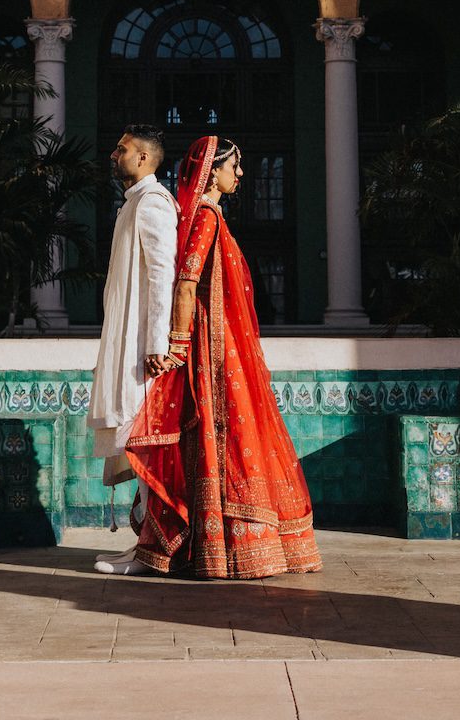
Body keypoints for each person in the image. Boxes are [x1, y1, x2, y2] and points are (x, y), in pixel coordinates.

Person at [121, 135, 321, 579]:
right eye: (236, 166)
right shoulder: (208, 218)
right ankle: (215, 546)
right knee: (220, 438)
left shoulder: (205, 216)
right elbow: (187, 284)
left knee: (217, 440)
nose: (242, 174)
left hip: (220, 347)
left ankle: (209, 545)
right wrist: (176, 343)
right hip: (211, 351)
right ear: (213, 172)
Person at [88, 127, 175, 574]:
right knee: (133, 440)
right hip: (127, 338)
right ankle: (143, 545)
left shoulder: (154, 203)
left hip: (143, 347)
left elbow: (164, 273)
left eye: (121, 148)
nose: (113, 154)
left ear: (143, 158)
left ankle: (152, 551)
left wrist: (157, 343)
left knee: (142, 443)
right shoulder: (134, 204)